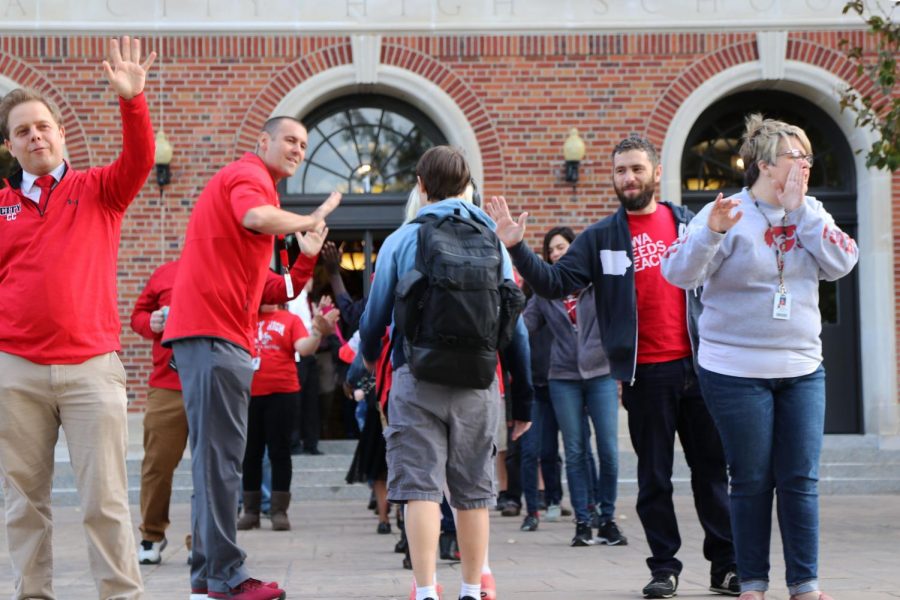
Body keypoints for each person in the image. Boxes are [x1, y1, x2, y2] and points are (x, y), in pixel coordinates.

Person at [487, 134, 741, 599]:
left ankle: (725, 566)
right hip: (646, 374)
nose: (629, 178)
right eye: (621, 170)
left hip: (702, 367)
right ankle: (664, 567)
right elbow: (554, 282)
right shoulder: (601, 237)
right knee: (654, 477)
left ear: (656, 173)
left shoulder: (688, 224)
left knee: (711, 471)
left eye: (637, 169)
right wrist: (519, 248)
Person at [661, 114, 858, 600]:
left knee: (800, 479)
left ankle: (804, 583)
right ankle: (751, 582)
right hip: (734, 370)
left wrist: (803, 215)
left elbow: (844, 261)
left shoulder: (812, 211)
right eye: (797, 155)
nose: (806, 164)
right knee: (749, 479)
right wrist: (709, 232)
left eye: (809, 156)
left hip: (802, 368)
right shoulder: (727, 212)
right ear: (766, 164)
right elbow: (678, 274)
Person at [0, 36, 154, 600]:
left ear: (60, 133)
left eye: (42, 126)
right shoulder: (1, 208)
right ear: (10, 146)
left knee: (105, 499)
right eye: (22, 131)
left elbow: (139, 161)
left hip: (91, 368)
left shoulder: (99, 191)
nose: (35, 136)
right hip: (16, 372)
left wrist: (132, 101)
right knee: (23, 503)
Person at [162, 114, 340, 600]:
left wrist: (304, 255)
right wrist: (308, 217)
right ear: (262, 141)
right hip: (215, 336)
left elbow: (270, 288)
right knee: (220, 463)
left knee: (214, 463)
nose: (299, 149)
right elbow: (254, 218)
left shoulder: (259, 186)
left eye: (304, 144)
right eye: (290, 139)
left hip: (219, 336)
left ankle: (207, 579)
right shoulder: (249, 176)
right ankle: (225, 577)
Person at [358, 146, 530, 600]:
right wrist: (523, 398)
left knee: (422, 490)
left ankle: (427, 590)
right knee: (473, 491)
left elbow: (373, 321)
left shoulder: (403, 239)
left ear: (421, 184)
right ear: (468, 185)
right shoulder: (493, 239)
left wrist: (371, 367)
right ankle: (473, 589)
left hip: (417, 377)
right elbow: (517, 323)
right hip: (479, 380)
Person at [521, 226, 625, 547]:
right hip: (562, 376)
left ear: (575, 249)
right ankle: (582, 521)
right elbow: (524, 327)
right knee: (576, 450)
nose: (556, 254)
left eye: (562, 247)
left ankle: (606, 518)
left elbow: (623, 314)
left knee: (608, 450)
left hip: (601, 373)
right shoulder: (544, 292)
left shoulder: (598, 284)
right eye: (551, 250)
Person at [238, 299, 338, 532]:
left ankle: (279, 511)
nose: (270, 299)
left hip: (283, 392)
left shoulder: (290, 319)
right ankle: (251, 511)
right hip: (250, 394)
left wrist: (316, 332)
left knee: (279, 451)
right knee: (250, 453)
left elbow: (303, 348)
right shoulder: (246, 319)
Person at [131, 258, 192, 566]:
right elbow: (137, 316)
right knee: (157, 464)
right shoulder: (165, 273)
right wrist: (150, 323)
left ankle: (205, 540)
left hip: (213, 381)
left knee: (213, 466)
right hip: (168, 383)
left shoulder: (231, 265)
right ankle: (152, 534)